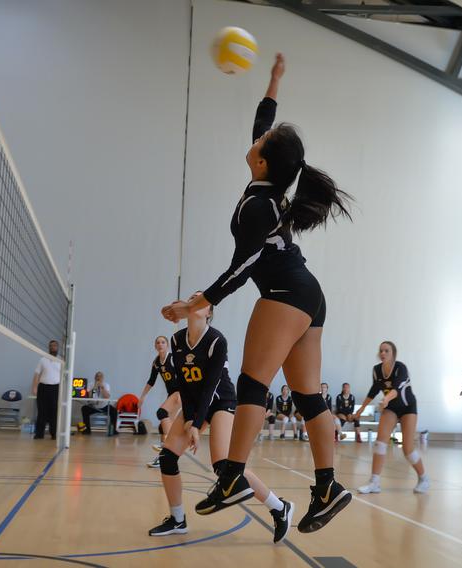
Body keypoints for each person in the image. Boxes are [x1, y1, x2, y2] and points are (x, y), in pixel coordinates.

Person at [163, 53, 353, 534]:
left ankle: (231, 477)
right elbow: (263, 123)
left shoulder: (259, 204)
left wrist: (196, 303)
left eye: (261, 143)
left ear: (263, 160)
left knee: (252, 384)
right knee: (309, 396)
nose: (256, 140)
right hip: (309, 295)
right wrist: (273, 81)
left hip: (286, 291)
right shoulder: (265, 183)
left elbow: (244, 266)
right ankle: (327, 487)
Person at [149, 295, 293, 543]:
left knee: (225, 468)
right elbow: (183, 384)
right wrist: (189, 419)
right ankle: (178, 519)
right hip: (196, 403)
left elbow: (210, 387)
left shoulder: (217, 340)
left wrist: (196, 424)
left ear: (209, 313)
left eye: (201, 300)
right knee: (167, 457)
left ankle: (280, 508)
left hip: (221, 400)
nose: (195, 300)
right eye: (192, 297)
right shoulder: (176, 339)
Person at [352, 341, 429, 494]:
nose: (383, 353)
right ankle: (374, 482)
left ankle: (424, 478)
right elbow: (373, 390)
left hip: (408, 407)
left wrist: (386, 399)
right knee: (380, 442)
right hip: (391, 408)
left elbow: (396, 390)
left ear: (393, 353)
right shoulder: (376, 370)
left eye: (386, 350)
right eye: (381, 350)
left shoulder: (401, 368)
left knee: (408, 449)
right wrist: (360, 410)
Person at [138, 335, 182, 467]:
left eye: (163, 342)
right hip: (171, 394)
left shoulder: (173, 358)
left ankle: (166, 445)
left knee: (162, 413)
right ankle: (164, 459)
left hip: (180, 393)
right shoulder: (156, 362)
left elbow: (183, 375)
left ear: (167, 345)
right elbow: (151, 381)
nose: (160, 344)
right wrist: (143, 396)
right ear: (155, 346)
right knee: (163, 427)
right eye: (158, 342)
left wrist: (183, 392)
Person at [32, 339, 62, 440]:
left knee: (54, 412)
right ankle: (39, 434)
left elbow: (64, 377)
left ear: (57, 348)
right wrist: (35, 387)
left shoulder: (61, 361)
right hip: (43, 388)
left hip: (56, 389)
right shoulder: (43, 359)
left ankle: (54, 434)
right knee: (41, 411)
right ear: (49, 348)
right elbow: (36, 374)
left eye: (54, 346)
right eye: (51, 346)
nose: (53, 347)